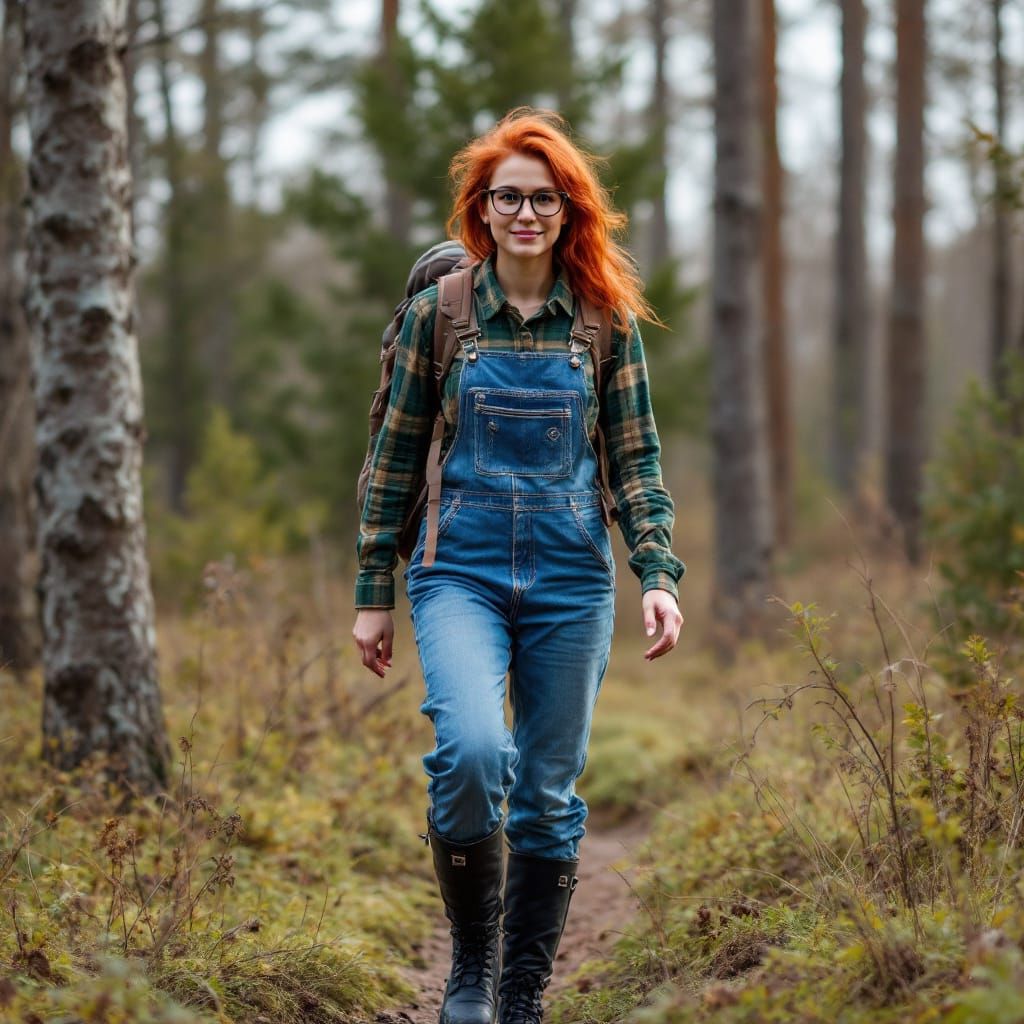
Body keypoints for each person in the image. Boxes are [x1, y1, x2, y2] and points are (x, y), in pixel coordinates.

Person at [352, 107, 685, 1024]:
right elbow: (392, 455)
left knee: (544, 791)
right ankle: (470, 967)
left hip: (572, 579)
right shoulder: (439, 316)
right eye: (509, 198)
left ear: (568, 210)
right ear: (482, 210)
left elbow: (636, 460)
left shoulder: (607, 322)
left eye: (543, 198)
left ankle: (522, 995)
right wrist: (372, 592)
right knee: (471, 752)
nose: (526, 213)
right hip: (456, 569)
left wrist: (656, 573)